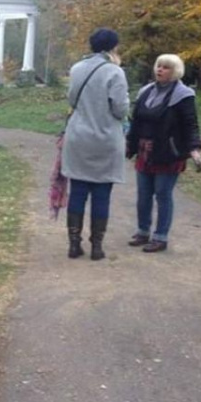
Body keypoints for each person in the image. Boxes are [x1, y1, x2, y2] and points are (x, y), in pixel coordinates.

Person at [62, 28, 130, 261]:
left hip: (78, 137)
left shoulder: (77, 69)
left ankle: (74, 244)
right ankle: (97, 247)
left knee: (78, 192)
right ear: (112, 47)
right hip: (105, 140)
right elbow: (120, 109)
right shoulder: (115, 72)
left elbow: (72, 99)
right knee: (102, 194)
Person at [126, 54, 201, 253]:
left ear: (175, 71)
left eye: (166, 67)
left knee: (162, 194)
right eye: (159, 66)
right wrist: (130, 145)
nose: (160, 70)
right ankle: (143, 231)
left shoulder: (183, 95)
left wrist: (194, 148)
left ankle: (160, 237)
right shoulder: (145, 92)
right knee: (143, 195)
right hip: (145, 150)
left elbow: (190, 124)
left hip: (168, 152)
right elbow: (136, 122)